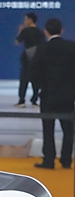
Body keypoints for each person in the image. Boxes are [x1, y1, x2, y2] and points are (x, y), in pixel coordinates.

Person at [30, 18, 75, 169]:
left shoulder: (42, 48)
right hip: (68, 95)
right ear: (61, 30)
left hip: (48, 94)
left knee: (48, 129)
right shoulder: (71, 47)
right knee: (68, 129)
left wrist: (38, 89)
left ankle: (49, 160)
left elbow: (34, 71)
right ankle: (66, 160)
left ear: (46, 32)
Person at [15, 11, 44, 107]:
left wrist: (20, 31)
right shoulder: (40, 32)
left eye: (26, 19)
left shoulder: (25, 31)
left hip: (27, 57)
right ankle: (34, 100)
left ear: (30, 20)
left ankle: (22, 100)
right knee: (36, 79)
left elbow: (17, 41)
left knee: (24, 79)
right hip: (37, 57)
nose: (24, 21)